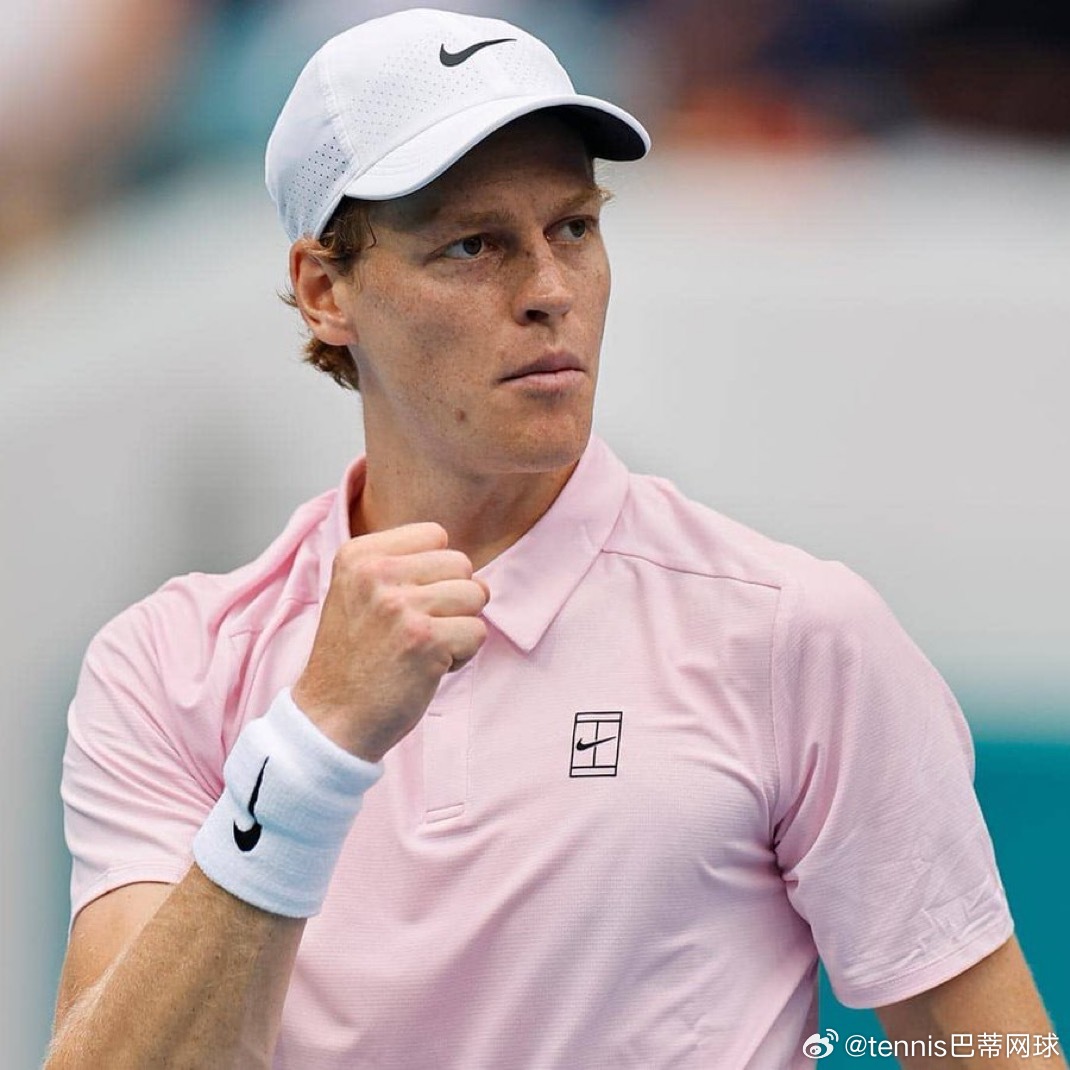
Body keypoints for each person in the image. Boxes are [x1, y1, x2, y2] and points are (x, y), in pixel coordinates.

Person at [48, 8, 1063, 1069]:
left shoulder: (795, 630)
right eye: (473, 244)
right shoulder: (166, 664)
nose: (548, 291)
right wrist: (311, 751)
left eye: (573, 228)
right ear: (324, 291)